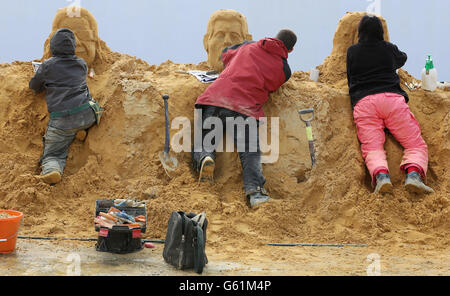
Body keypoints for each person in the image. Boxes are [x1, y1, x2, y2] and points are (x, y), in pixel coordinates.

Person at [193, 29, 297, 208]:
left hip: (216, 97)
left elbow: (225, 55)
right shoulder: (284, 69)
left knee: (204, 140)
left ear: (274, 36)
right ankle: (255, 192)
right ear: (291, 50)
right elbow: (272, 85)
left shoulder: (249, 45)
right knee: (250, 151)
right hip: (245, 107)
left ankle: (205, 158)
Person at [346, 14, 433, 194]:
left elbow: (349, 75)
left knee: (372, 147)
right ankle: (414, 175)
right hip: (391, 100)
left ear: (360, 33)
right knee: (415, 144)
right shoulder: (388, 48)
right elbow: (402, 58)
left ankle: (382, 177)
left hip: (364, 103)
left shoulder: (352, 51)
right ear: (381, 32)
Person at [29, 28, 99, 185]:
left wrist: (41, 74)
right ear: (73, 47)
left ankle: (52, 170)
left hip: (62, 120)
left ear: (52, 47)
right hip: (87, 113)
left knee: (53, 154)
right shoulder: (81, 64)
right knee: (95, 104)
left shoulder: (47, 66)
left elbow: (34, 86)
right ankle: (82, 131)